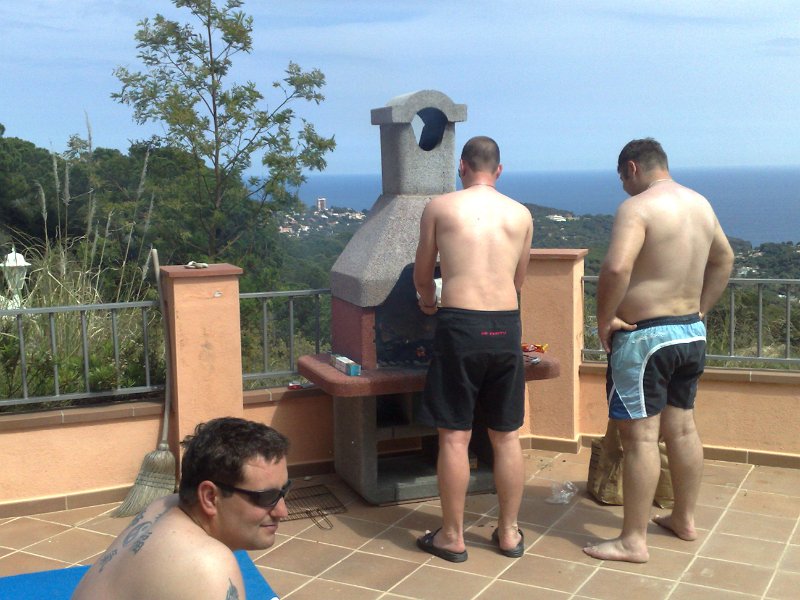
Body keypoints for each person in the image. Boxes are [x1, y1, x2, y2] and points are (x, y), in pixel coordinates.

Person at [583, 138, 734, 563]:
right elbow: (724, 258)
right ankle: (684, 519)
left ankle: (633, 540)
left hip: (646, 337)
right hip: (689, 332)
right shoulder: (700, 204)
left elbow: (616, 266)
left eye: (622, 178)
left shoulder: (638, 208)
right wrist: (701, 309)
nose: (623, 187)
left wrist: (604, 320)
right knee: (682, 429)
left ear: (632, 168)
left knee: (641, 438)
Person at [412, 135, 534, 562]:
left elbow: (423, 274)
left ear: (461, 166)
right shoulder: (521, 214)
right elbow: (519, 280)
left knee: (455, 436)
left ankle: (452, 536)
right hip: (505, 326)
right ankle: (509, 533)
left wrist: (428, 302)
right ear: (499, 170)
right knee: (506, 435)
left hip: (460, 325)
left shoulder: (440, 207)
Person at [72, 417, 291, 599]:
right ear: (209, 497)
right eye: (267, 497)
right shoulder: (209, 564)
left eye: (284, 491)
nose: (283, 511)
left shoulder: (161, 507)